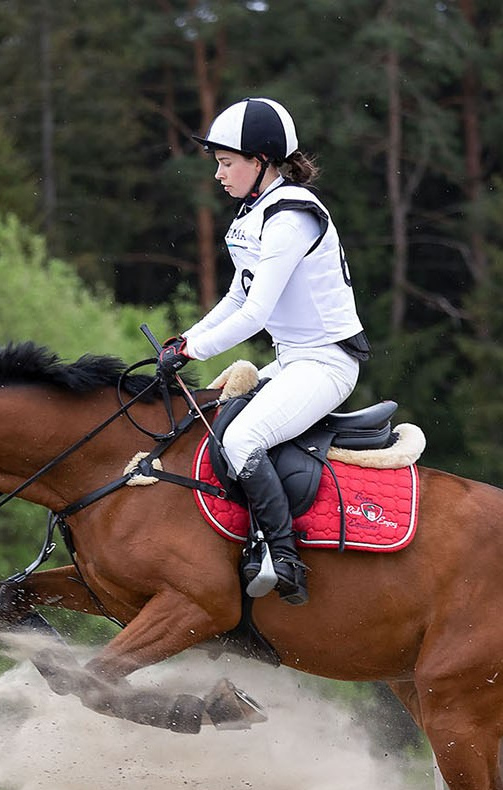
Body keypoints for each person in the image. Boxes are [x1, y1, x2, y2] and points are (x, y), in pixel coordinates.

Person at [157, 97, 369, 605]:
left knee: (244, 437)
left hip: (326, 364)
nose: (219, 175)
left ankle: (283, 556)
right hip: (294, 359)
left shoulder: (291, 217)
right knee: (217, 422)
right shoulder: (256, 213)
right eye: (218, 164)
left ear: (262, 161)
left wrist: (192, 354)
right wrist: (185, 340)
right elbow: (236, 296)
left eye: (227, 163)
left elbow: (253, 314)